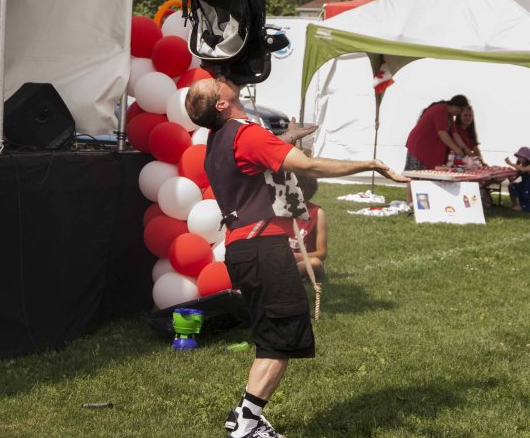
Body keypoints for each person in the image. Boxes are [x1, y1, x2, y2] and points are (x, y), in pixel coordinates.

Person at [185, 75, 409, 438]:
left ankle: (245, 417)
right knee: (282, 339)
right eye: (215, 85)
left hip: (242, 248)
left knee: (273, 337)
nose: (220, 78)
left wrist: (286, 137)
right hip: (263, 248)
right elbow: (308, 167)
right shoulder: (245, 135)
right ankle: (246, 423)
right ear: (222, 104)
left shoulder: (218, 138)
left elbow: (261, 153)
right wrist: (369, 165)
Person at [274, 176, 327, 281]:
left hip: (303, 262)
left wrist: (295, 257)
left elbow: (322, 253)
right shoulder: (276, 210)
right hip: (278, 262)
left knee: (315, 263)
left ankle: (283, 278)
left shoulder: (316, 213)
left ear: (300, 191)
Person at [405, 94, 470, 171]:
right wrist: (457, 149)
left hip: (427, 147)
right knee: (416, 174)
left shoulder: (449, 115)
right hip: (420, 145)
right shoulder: (440, 110)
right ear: (455, 106)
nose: (460, 114)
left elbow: (455, 134)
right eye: (461, 110)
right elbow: (442, 133)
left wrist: (466, 149)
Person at [505, 146, 530, 212]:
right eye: (518, 157)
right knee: (511, 185)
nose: (519, 158)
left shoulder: (527, 167)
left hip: (528, 190)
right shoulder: (521, 167)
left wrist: (510, 163)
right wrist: (509, 175)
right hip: (524, 188)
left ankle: (523, 206)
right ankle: (515, 204)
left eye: (521, 157)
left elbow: (524, 169)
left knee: (518, 208)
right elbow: (514, 178)